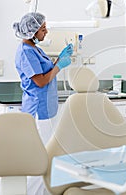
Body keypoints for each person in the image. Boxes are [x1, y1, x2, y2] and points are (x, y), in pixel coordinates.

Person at [13, 12, 73, 195]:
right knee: (41, 158)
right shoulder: (25, 51)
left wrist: (58, 60)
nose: (46, 32)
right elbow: (40, 81)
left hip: (47, 108)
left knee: (49, 155)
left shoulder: (35, 49)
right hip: (38, 111)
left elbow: (45, 71)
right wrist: (59, 66)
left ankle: (46, 192)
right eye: (43, 28)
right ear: (32, 32)